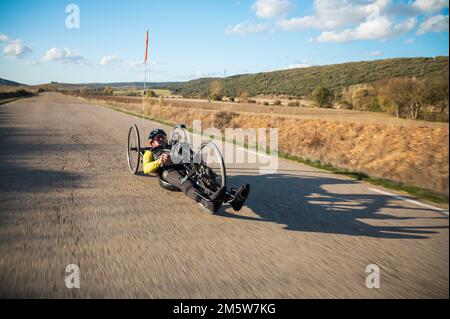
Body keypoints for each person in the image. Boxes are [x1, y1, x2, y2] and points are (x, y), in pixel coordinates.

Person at [143, 128, 250, 213]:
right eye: (158, 138)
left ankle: (233, 199)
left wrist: (195, 157)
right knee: (185, 183)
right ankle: (207, 202)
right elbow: (146, 168)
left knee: (204, 174)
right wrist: (159, 161)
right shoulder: (150, 152)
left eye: (163, 137)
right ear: (152, 142)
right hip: (167, 170)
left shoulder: (173, 146)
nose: (162, 139)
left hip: (183, 166)